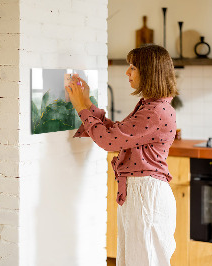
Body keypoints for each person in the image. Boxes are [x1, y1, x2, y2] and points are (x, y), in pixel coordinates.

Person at [65, 44, 178, 266]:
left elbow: (109, 141)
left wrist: (81, 107)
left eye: (133, 67)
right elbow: (118, 133)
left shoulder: (155, 111)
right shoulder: (151, 106)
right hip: (141, 193)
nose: (127, 72)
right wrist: (87, 103)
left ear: (149, 71)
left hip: (146, 195)